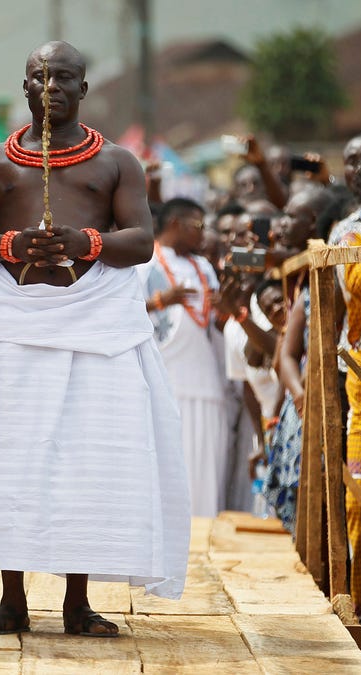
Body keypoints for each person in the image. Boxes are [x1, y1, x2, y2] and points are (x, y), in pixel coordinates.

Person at [0, 40, 188, 638]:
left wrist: (87, 244)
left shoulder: (118, 162)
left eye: (63, 79)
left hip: (93, 323)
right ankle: (11, 601)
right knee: (7, 462)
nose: (49, 88)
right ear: (24, 86)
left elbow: (141, 242)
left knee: (86, 463)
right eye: (38, 78)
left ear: (83, 87)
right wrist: (11, 245)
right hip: (9, 323)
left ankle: (78, 602)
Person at [140, 198, 228, 518]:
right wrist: (161, 301)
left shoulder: (203, 267)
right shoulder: (144, 261)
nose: (203, 235)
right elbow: (123, 313)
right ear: (176, 223)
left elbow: (216, 323)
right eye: (198, 226)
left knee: (204, 468)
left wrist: (229, 308)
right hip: (165, 379)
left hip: (204, 382)